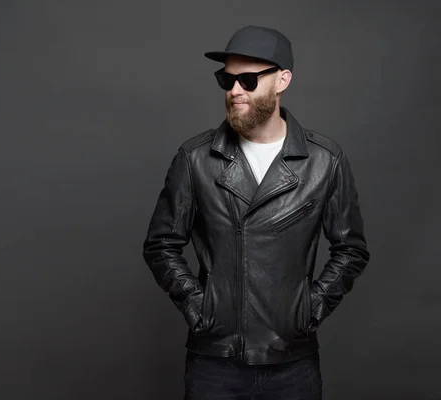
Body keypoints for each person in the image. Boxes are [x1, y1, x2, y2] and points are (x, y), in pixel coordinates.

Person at [141, 25, 370, 400]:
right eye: (226, 80)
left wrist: (309, 310)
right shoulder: (196, 158)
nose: (234, 91)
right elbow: (161, 245)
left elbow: (351, 250)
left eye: (248, 80)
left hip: (292, 363)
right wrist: (200, 309)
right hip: (214, 362)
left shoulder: (324, 161)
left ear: (282, 81)